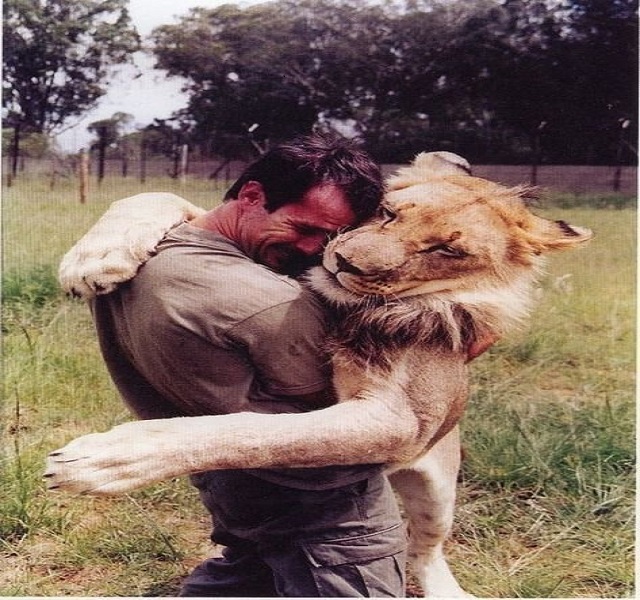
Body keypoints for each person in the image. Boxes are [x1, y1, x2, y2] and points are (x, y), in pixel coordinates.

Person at [89, 133, 408, 597]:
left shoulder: (135, 254)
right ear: (252, 195)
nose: (316, 250)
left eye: (331, 237)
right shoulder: (267, 303)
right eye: (304, 228)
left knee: (250, 571)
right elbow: (349, 406)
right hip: (321, 509)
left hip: (231, 485)